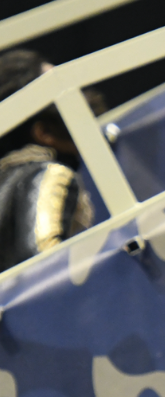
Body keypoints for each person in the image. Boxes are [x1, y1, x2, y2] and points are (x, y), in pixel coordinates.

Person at [0, 49, 96, 272]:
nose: (81, 99)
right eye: (64, 96)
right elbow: (43, 265)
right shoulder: (47, 175)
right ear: (44, 132)